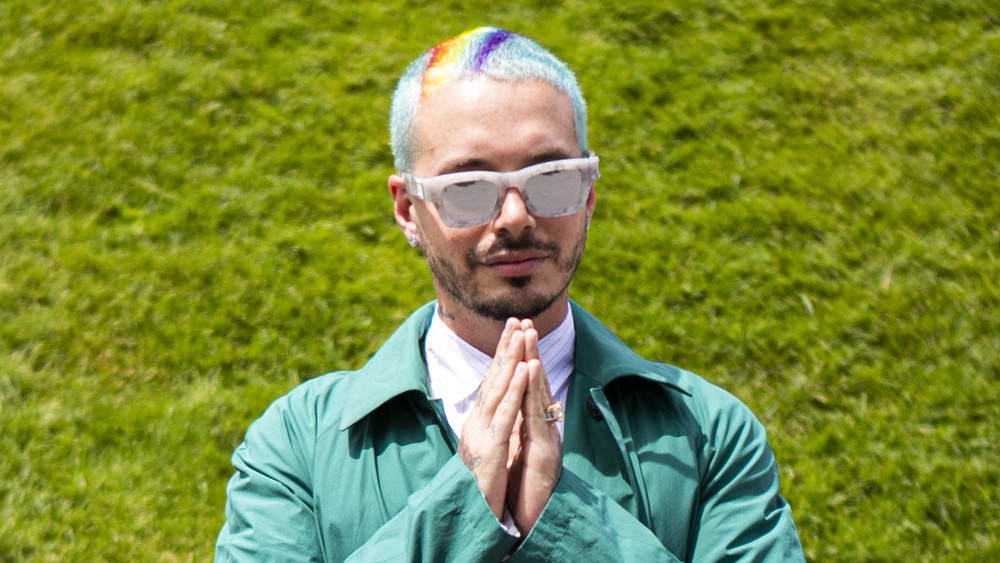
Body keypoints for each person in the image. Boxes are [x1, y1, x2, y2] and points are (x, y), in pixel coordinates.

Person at [215, 27, 805, 562]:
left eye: (551, 178)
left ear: (589, 194)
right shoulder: (299, 444)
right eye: (468, 187)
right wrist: (462, 505)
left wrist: (570, 522)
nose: (515, 217)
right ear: (407, 210)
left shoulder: (707, 433)